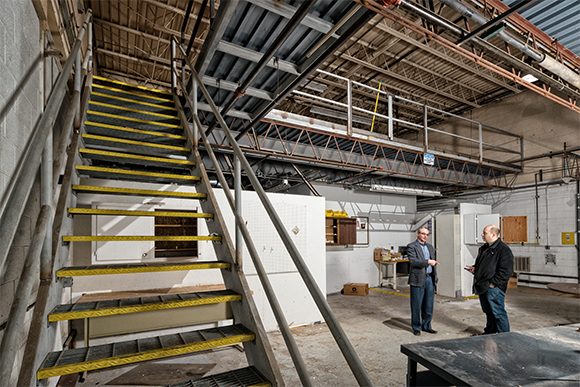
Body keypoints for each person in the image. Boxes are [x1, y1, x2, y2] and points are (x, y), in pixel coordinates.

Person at [466, 224, 514, 334]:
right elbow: (483, 265)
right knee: (488, 311)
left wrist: (493, 283)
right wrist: (475, 269)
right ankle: (490, 333)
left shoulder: (503, 250)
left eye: (485, 233)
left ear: (493, 234)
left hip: (494, 288)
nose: (482, 235)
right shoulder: (484, 248)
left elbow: (506, 271)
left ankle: (505, 337)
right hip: (483, 285)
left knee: (498, 313)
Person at [407, 227, 439, 336]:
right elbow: (413, 261)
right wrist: (428, 262)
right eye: (423, 234)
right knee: (416, 304)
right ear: (417, 234)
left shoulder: (430, 247)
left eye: (427, 234)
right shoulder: (412, 246)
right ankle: (416, 327)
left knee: (429, 304)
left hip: (430, 278)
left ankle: (427, 326)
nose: (425, 236)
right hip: (417, 279)